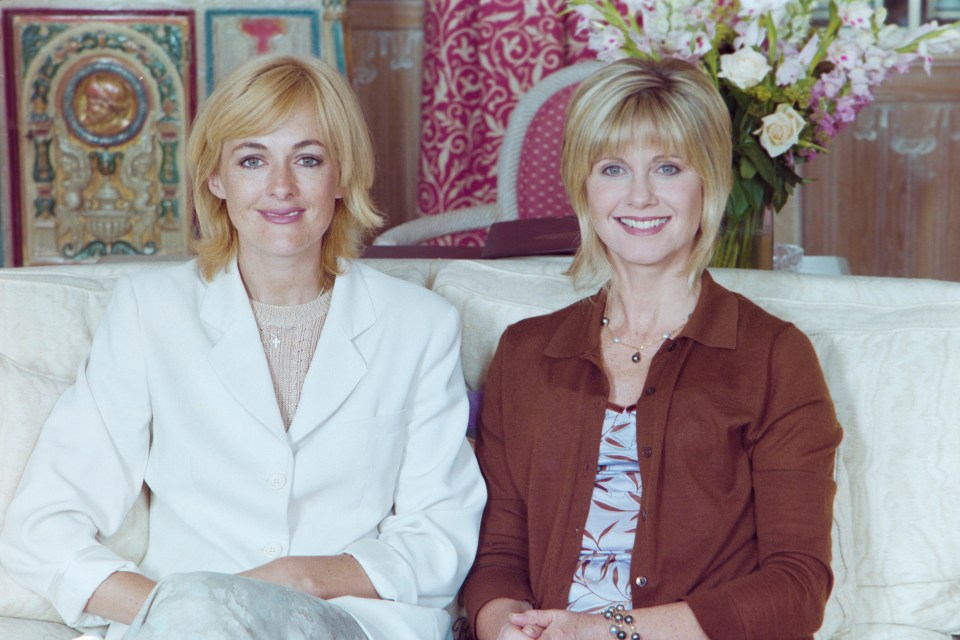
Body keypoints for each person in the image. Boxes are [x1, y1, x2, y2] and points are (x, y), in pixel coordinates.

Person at [0, 55, 486, 640]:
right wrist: (187, 609)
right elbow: (42, 526)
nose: (280, 186)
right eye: (252, 160)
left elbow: (441, 532)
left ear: (342, 178)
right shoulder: (149, 311)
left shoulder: (420, 325)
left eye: (308, 159)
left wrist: (298, 580)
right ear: (216, 179)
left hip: (347, 625)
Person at [463, 58, 842, 640]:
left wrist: (613, 630)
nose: (639, 197)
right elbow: (496, 557)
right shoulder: (526, 354)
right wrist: (504, 627)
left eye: (667, 168)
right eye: (613, 168)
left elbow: (796, 588)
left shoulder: (773, 357)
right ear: (584, 188)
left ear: (708, 183)